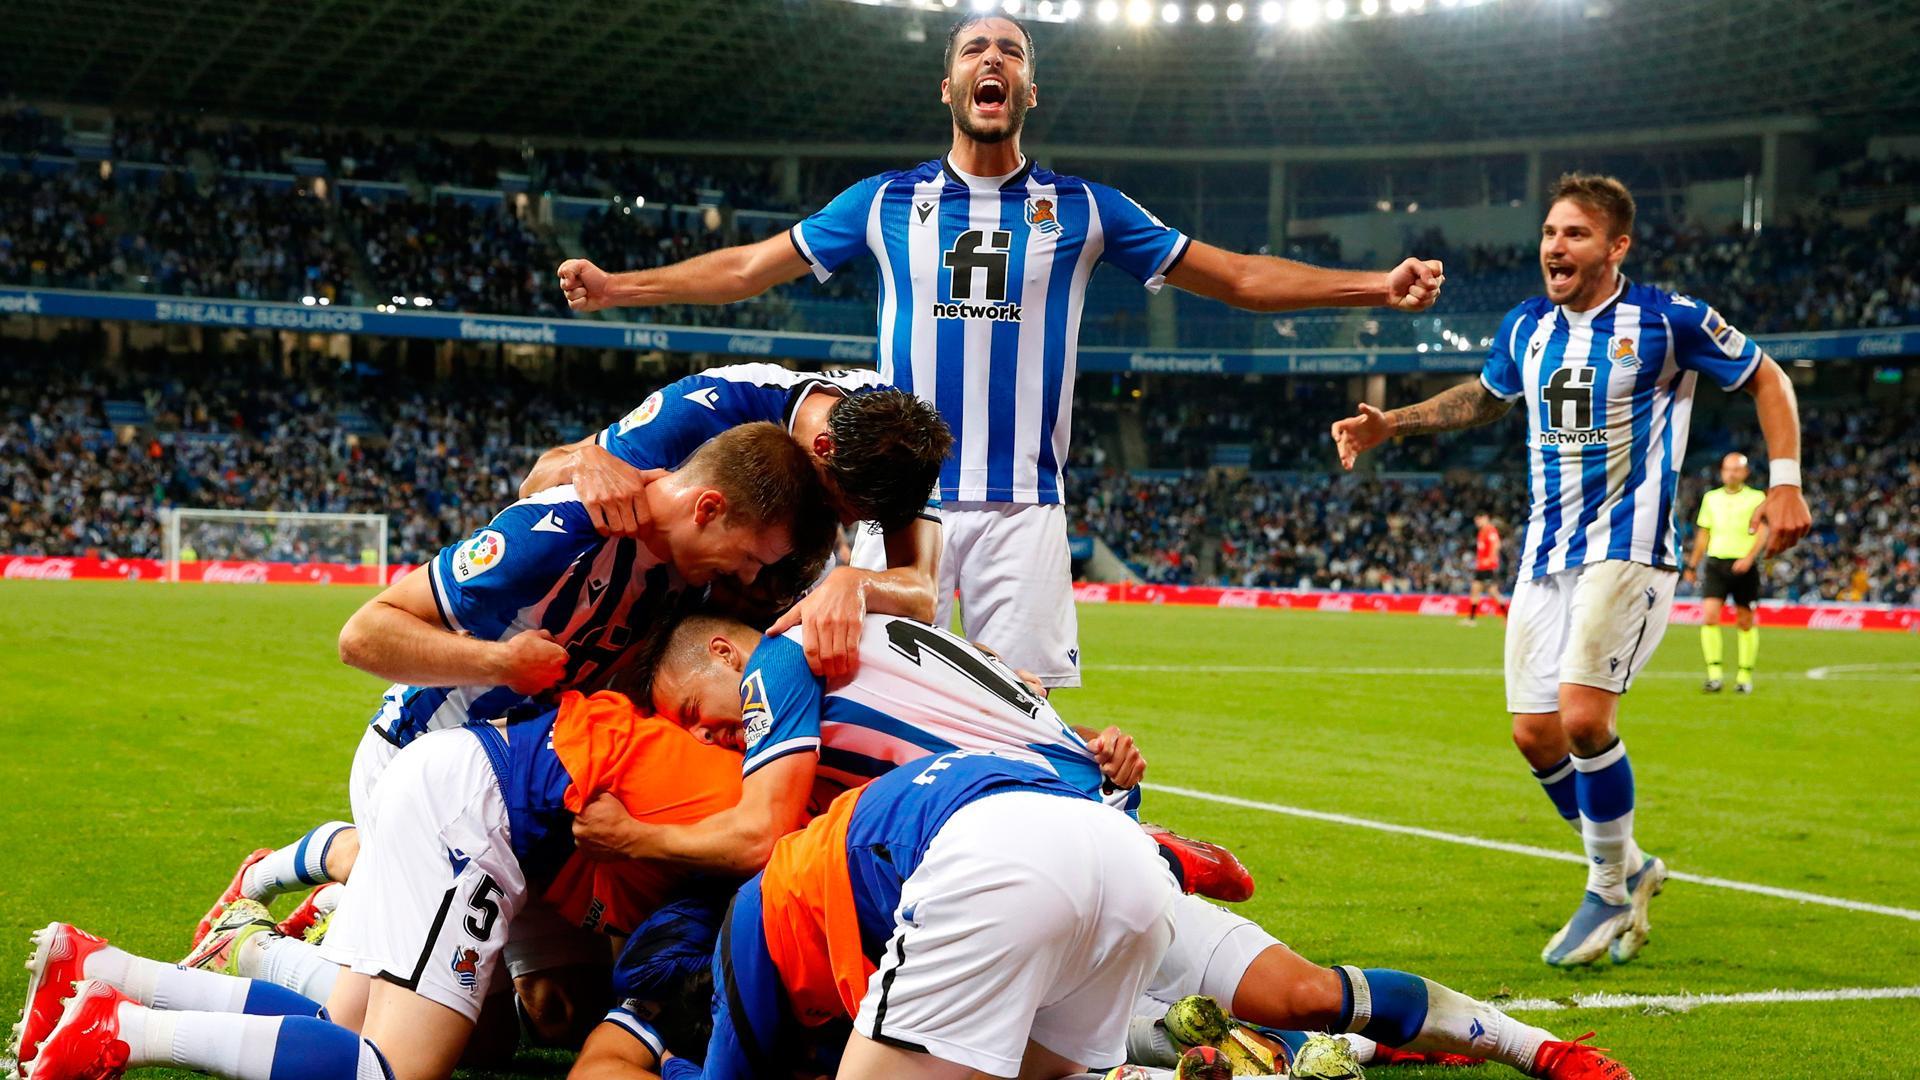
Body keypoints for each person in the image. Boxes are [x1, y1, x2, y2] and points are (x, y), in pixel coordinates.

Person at [556, 12, 1445, 691]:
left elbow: (1241, 278)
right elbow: (753, 265)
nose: (993, 60)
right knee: (862, 700)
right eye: (975, 49)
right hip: (891, 507)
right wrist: (621, 287)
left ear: (1028, 92)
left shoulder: (1089, 209)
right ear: (947, 87)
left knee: (1025, 720)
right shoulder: (883, 202)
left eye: (1012, 52)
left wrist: (1375, 284)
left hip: (1024, 510)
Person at [571, 614, 1632, 1080]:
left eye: (696, 709)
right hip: (1081, 838)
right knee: (1121, 1036)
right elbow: (1016, 718)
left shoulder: (788, 661)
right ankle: (1313, 1055)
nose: (710, 733)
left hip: (1010, 857)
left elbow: (764, 837)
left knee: (1290, 992)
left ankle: (1528, 1048)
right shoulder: (883, 627)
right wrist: (1107, 759)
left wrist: (630, 833)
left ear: (724, 650)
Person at [192, 423, 834, 1040]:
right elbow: (363, 634)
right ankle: (262, 938)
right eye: (748, 555)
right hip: (426, 764)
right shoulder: (561, 530)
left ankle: (355, 902)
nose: (747, 576)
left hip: (534, 789)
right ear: (709, 508)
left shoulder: (684, 577)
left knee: (563, 1013)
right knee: (425, 1029)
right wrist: (498, 662)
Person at [1329, 173, 1811, 969]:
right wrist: (1396, 424)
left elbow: (1767, 377)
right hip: (1546, 551)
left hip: (1631, 545)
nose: (1556, 245)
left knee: (1586, 718)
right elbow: (1486, 399)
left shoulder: (1667, 319)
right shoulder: (1526, 326)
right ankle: (1633, 865)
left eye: (1576, 234)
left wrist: (1786, 480)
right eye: (1551, 232)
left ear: (1617, 246)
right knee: (1535, 733)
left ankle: (1607, 890)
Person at [20, 691, 744, 1080]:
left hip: (464, 786)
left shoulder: (693, 774)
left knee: (352, 1022)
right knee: (393, 1067)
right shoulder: (734, 794)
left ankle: (97, 969)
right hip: (478, 815)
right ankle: (119, 1029)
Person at [576, 751, 1180, 1080]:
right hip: (1132, 863)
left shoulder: (753, 930)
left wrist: (671, 1062)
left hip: (992, 867)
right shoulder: (814, 860)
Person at [518, 362, 952, 678]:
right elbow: (536, 480)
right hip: (638, 618)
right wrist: (583, 461)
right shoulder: (708, 406)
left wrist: (856, 582)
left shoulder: (899, 446)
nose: (843, 522)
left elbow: (921, 591)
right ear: (823, 446)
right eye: (839, 506)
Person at [1684, 452, 1769, 693]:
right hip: (1715, 563)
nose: (1731, 473)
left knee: (1744, 621)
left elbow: (1762, 530)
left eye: (1736, 469)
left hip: (1745, 565)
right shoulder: (1711, 498)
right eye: (1727, 469)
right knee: (1710, 616)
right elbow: (1704, 533)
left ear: (1745, 472)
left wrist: (1749, 557)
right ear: (1722, 472)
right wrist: (1692, 564)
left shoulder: (1757, 498)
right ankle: (1714, 675)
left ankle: (1744, 677)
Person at [1465, 512, 1503, 625]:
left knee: (1493, 592)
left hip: (1487, 567)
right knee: (1475, 589)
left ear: (1485, 518)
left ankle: (1508, 616)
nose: (1477, 523)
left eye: (1478, 520)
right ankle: (1471, 619)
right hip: (1481, 567)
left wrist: (1491, 559)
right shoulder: (1482, 532)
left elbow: (1496, 545)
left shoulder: (1490, 530)